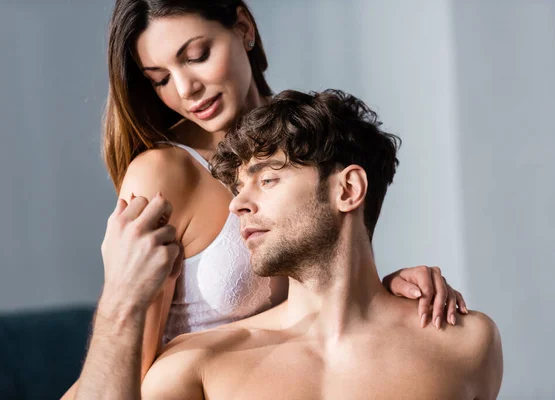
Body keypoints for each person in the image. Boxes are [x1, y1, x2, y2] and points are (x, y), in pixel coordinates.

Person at [64, 1, 467, 398]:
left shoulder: (305, 143)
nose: (186, 89)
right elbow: (127, 366)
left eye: (197, 56)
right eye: (160, 79)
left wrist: (382, 295)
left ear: (243, 27)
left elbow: (318, 303)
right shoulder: (164, 175)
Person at [138, 89, 503, 399]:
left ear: (347, 189)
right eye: (237, 189)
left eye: (266, 180)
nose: (237, 205)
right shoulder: (194, 367)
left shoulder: (465, 344)